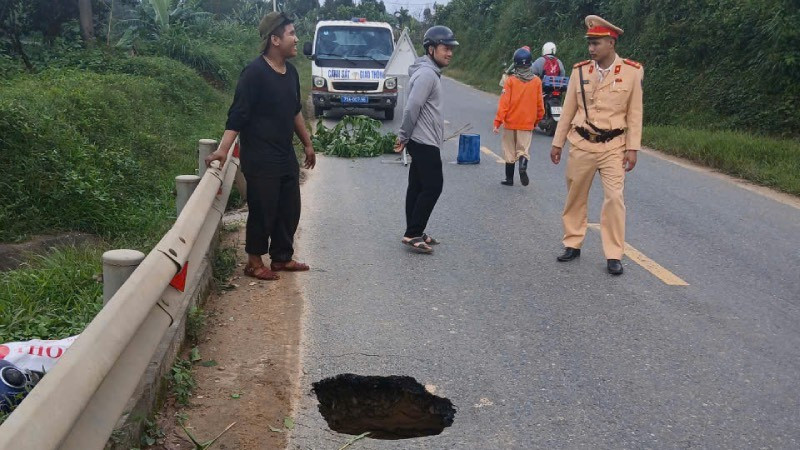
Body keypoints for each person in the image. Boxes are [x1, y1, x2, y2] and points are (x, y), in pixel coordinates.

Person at [205, 12, 316, 280]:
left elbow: (294, 112)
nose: (296, 38)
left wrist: (308, 145)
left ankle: (281, 257)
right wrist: (223, 149)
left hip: (284, 154)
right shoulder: (254, 73)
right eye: (291, 33)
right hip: (260, 157)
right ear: (275, 40)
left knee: (289, 208)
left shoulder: (290, 73)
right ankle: (254, 262)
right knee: (263, 210)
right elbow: (238, 115)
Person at [550, 15, 644, 275]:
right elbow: (567, 111)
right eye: (589, 43)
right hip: (581, 143)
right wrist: (557, 143)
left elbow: (635, 113)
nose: (591, 49)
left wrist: (632, 148)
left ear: (611, 43)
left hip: (614, 145)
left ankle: (614, 254)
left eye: (596, 43)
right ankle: (572, 242)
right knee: (575, 195)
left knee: (614, 198)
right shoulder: (580, 71)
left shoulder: (632, 72)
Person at [394, 25, 458, 254]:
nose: (449, 52)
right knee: (433, 186)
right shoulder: (427, 74)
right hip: (422, 140)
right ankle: (413, 233)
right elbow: (412, 108)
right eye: (445, 48)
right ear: (431, 49)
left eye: (451, 48)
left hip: (422, 139)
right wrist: (403, 135)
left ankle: (414, 230)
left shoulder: (429, 72)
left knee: (418, 185)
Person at [493, 47, 545, 187]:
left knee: (509, 150)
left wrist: (498, 122)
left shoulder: (510, 81)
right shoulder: (536, 82)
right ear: (530, 63)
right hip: (527, 123)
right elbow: (540, 105)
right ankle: (523, 164)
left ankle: (509, 179)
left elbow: (504, 103)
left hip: (510, 122)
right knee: (523, 149)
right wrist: (537, 120)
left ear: (515, 64)